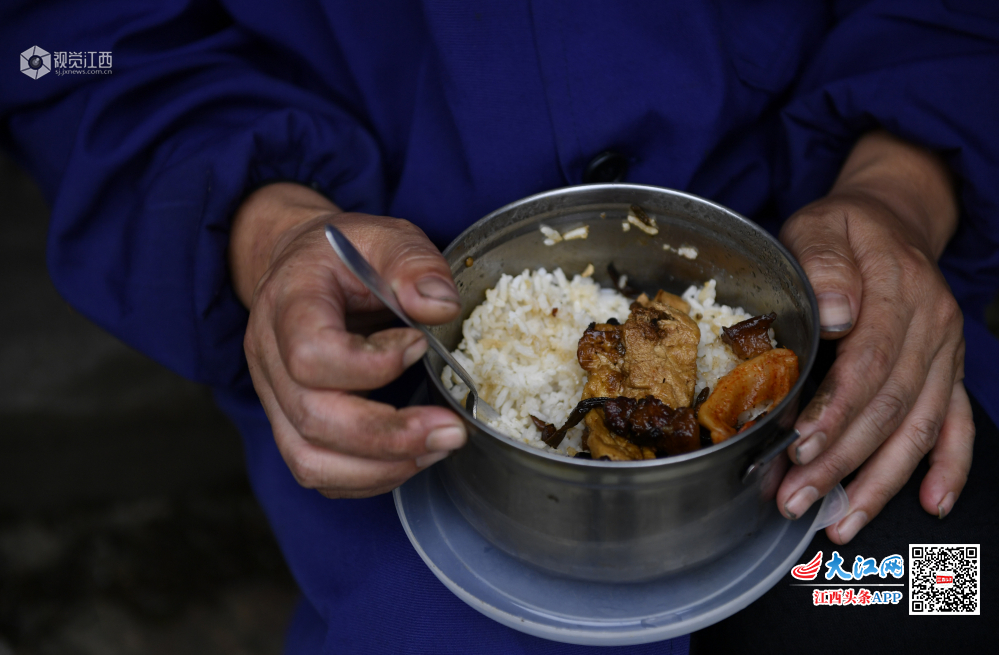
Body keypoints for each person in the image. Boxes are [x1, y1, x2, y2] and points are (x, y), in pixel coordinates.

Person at [2, 1, 997, 652]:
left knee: (943, 594)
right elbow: (77, 47)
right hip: (414, 375)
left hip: (816, 285)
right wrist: (272, 232)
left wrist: (900, 189)